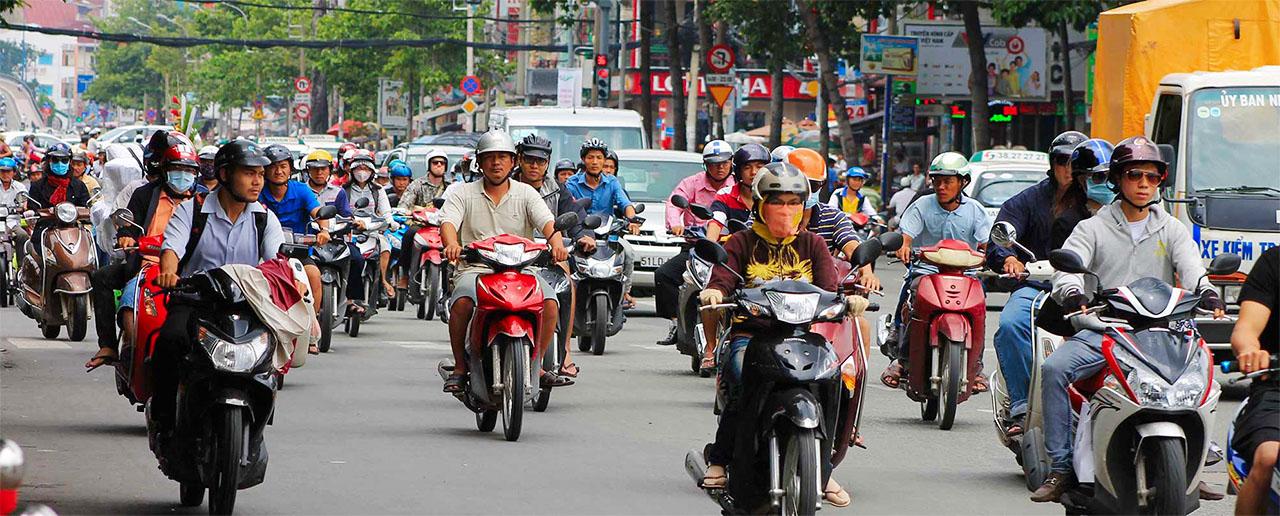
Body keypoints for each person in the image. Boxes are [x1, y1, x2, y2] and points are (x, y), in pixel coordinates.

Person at [1032, 136, 1226, 503]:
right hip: (1106, 330)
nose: (1143, 184)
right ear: (1118, 179)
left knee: (1206, 372)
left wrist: (1207, 290)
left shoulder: (1172, 229)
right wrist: (1072, 293)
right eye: (1135, 175)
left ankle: (1193, 465)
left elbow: (1193, 269)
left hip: (1164, 331)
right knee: (1055, 369)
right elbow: (1067, 269)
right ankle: (1060, 469)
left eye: (1152, 178)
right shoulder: (1092, 228)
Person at [697, 162, 851, 507]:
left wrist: (849, 300)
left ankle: (822, 467)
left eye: (794, 203)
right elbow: (722, 279)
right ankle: (721, 457)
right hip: (751, 336)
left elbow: (830, 288)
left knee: (838, 383)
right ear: (759, 205)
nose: (786, 210)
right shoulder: (741, 241)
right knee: (739, 375)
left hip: (803, 337)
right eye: (778, 202)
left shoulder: (813, 244)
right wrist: (715, 293)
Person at [151, 139, 286, 429]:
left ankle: (260, 419)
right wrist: (169, 273)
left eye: (261, 174)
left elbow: (278, 260)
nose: (257, 181)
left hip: (247, 304)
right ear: (224, 175)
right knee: (170, 341)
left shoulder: (265, 219)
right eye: (249, 173)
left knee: (270, 355)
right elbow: (171, 249)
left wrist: (290, 281)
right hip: (195, 300)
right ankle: (163, 421)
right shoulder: (192, 210)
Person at [437, 130, 570, 393]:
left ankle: (538, 365)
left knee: (550, 301)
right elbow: (448, 222)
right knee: (462, 303)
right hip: (476, 269)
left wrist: (557, 246)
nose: (496, 163)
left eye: (502, 157)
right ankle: (461, 366)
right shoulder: (462, 193)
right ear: (480, 162)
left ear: (513, 162)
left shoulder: (527, 194)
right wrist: (452, 244)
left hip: (522, 269)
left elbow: (547, 223)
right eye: (490, 158)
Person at [986, 130, 1088, 437]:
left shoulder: (1101, 203)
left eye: (1076, 162)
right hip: (1039, 285)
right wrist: (1008, 258)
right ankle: (1022, 403)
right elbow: (1000, 237)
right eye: (1062, 161)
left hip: (1089, 290)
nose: (1069, 168)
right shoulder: (1029, 200)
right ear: (1052, 164)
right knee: (1011, 324)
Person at [85, 131, 203, 370]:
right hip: (147, 267)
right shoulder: (144, 194)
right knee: (105, 281)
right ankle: (110, 345)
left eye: (189, 171)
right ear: (164, 169)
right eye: (177, 169)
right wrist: (127, 238)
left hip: (191, 271)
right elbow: (128, 226)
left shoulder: (204, 201)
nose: (183, 176)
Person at [881, 151, 992, 390]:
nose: (941, 186)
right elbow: (906, 237)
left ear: (963, 182)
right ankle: (901, 359)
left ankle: (977, 367)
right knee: (910, 298)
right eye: (937, 180)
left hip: (967, 275)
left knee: (980, 309)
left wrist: (991, 256)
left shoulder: (976, 210)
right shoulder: (921, 205)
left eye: (948, 181)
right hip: (926, 272)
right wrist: (904, 247)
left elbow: (986, 245)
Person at [513, 134, 591, 378]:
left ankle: (565, 350)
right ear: (519, 160)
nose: (534, 166)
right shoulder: (506, 184)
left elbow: (574, 216)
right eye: (529, 160)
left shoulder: (557, 189)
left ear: (547, 164)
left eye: (540, 161)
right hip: (509, 254)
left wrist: (582, 237)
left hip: (547, 253)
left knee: (567, 282)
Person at [653, 139, 736, 345]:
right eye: (714, 163)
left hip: (730, 248)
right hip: (697, 248)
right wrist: (675, 224)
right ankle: (675, 322)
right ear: (705, 165)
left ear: (732, 163)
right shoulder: (692, 183)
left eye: (725, 162)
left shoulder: (736, 186)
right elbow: (675, 204)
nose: (720, 167)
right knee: (663, 275)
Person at [1229, 245, 1279, 516]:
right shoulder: (1274, 262)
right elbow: (1246, 328)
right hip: (1276, 388)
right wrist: (1250, 349)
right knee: (1268, 457)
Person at [563, 137, 641, 307]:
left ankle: (624, 293)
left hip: (607, 235)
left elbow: (625, 203)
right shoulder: (571, 183)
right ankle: (567, 297)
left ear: (604, 160)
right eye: (590, 157)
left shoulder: (612, 182)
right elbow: (569, 208)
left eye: (599, 158)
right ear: (584, 160)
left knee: (628, 252)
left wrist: (632, 218)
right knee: (566, 258)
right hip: (579, 234)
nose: (595, 162)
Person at [258, 144, 330, 318]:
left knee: (314, 275)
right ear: (265, 170)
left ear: (290, 168)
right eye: (273, 167)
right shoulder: (257, 191)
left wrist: (324, 230)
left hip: (297, 250)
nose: (278, 171)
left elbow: (318, 212)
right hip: (263, 252)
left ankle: (312, 329)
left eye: (283, 166)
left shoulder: (301, 190)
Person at [343, 150, 394, 307]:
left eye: (366, 169)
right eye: (359, 169)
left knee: (385, 247)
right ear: (352, 171)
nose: (362, 172)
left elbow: (386, 213)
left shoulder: (378, 191)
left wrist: (389, 222)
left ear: (372, 171)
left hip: (372, 230)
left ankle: (383, 282)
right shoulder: (343, 190)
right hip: (348, 232)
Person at [25, 143, 90, 254]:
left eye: (64, 160)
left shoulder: (79, 185)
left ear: (69, 162)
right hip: (45, 231)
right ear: (49, 161)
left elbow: (86, 208)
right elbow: (32, 209)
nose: (60, 163)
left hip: (74, 231)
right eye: (55, 160)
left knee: (90, 255)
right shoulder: (37, 186)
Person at [303, 150, 350, 216]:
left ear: (330, 170)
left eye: (323, 168)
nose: (319, 173)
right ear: (309, 170)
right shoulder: (300, 191)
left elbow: (346, 217)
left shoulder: (338, 192)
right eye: (315, 168)